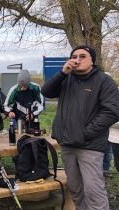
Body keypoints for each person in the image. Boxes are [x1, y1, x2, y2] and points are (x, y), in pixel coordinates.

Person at [41, 45, 119, 210]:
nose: (77, 60)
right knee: (76, 191)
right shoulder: (67, 79)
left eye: (82, 56)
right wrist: (62, 73)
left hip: (90, 145)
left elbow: (112, 112)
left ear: (92, 60)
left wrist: (85, 133)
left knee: (93, 191)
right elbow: (46, 92)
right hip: (68, 145)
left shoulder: (103, 81)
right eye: (74, 56)